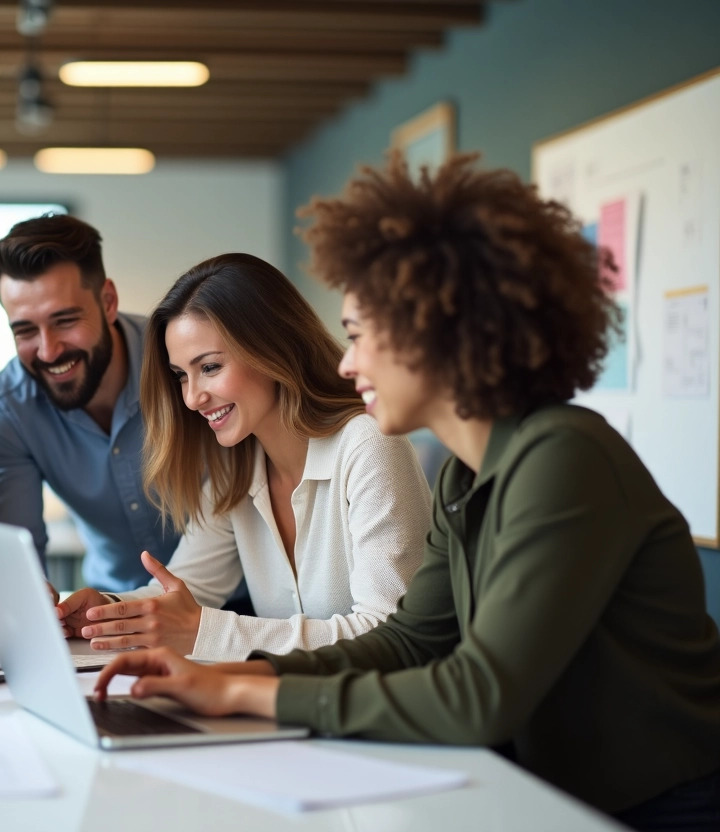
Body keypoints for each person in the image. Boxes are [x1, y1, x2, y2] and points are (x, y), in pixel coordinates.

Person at [92, 155, 720, 829]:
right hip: (551, 792)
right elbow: (407, 642)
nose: (344, 361)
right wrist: (239, 678)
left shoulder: (565, 458)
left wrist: (254, 696)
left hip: (657, 806)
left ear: (437, 328)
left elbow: (479, 695)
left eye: (360, 335)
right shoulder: (465, 474)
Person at [56, 253, 430, 662]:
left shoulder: (368, 445)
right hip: (291, 710)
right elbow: (187, 589)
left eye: (210, 367)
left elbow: (387, 634)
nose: (192, 397)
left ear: (273, 348)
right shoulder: (234, 468)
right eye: (181, 375)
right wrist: (102, 611)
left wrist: (204, 630)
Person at [0, 213, 186, 628]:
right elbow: (15, 559)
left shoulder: (180, 364)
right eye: (25, 330)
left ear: (107, 302)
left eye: (65, 321)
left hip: (237, 605)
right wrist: (15, 594)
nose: (48, 351)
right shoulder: (8, 409)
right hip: (110, 612)